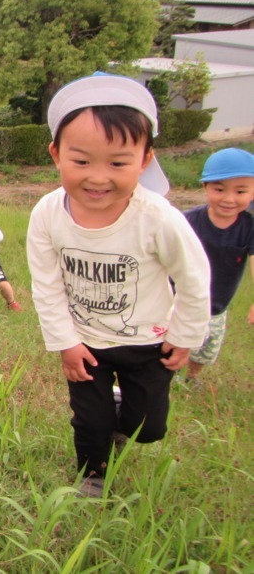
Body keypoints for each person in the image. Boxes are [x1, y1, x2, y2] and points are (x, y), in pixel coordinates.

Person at [27, 72, 210, 498]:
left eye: (118, 163)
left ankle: (121, 415)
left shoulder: (157, 217)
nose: (98, 177)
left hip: (148, 342)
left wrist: (185, 336)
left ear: (145, 160)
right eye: (82, 160)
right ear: (56, 153)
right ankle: (93, 475)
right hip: (85, 342)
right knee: (89, 422)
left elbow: (193, 278)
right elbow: (47, 285)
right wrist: (65, 343)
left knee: (147, 428)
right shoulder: (47, 215)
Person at [182, 147, 254, 383]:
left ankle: (192, 377)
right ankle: (164, 376)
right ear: (204, 187)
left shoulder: (249, 227)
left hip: (217, 306)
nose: (229, 198)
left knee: (206, 351)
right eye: (219, 189)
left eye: (240, 191)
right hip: (181, 298)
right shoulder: (189, 220)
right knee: (171, 341)